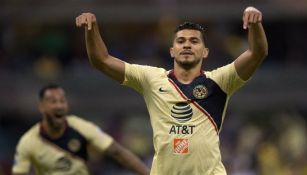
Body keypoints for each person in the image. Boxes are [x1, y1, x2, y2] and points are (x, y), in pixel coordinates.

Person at [76, 6, 268, 175]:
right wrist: (91, 29)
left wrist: (255, 23)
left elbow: (257, 53)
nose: (186, 45)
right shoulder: (151, 79)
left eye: (194, 41)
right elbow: (101, 61)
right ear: (172, 51)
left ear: (205, 51)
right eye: (181, 41)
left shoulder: (219, 81)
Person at [12, 84, 150, 175]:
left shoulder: (81, 127)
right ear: (41, 107)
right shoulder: (29, 141)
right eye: (53, 102)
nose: (59, 106)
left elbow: (116, 151)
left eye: (62, 101)